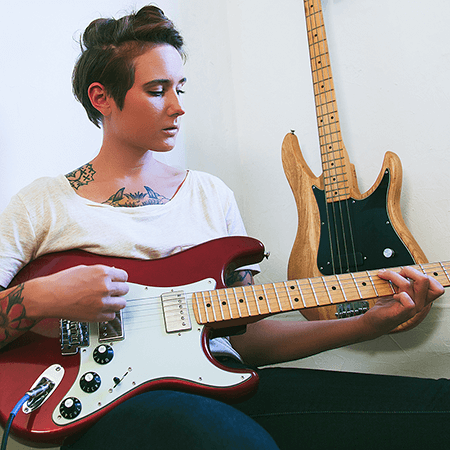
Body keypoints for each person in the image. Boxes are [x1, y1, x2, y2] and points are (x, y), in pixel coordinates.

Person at [0, 6, 447, 450]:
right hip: (110, 408)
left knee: (437, 410)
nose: (177, 107)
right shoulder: (43, 204)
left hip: (221, 387)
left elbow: (245, 337)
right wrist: (43, 296)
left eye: (180, 88)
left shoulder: (210, 196)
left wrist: (368, 325)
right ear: (102, 98)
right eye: (157, 90)